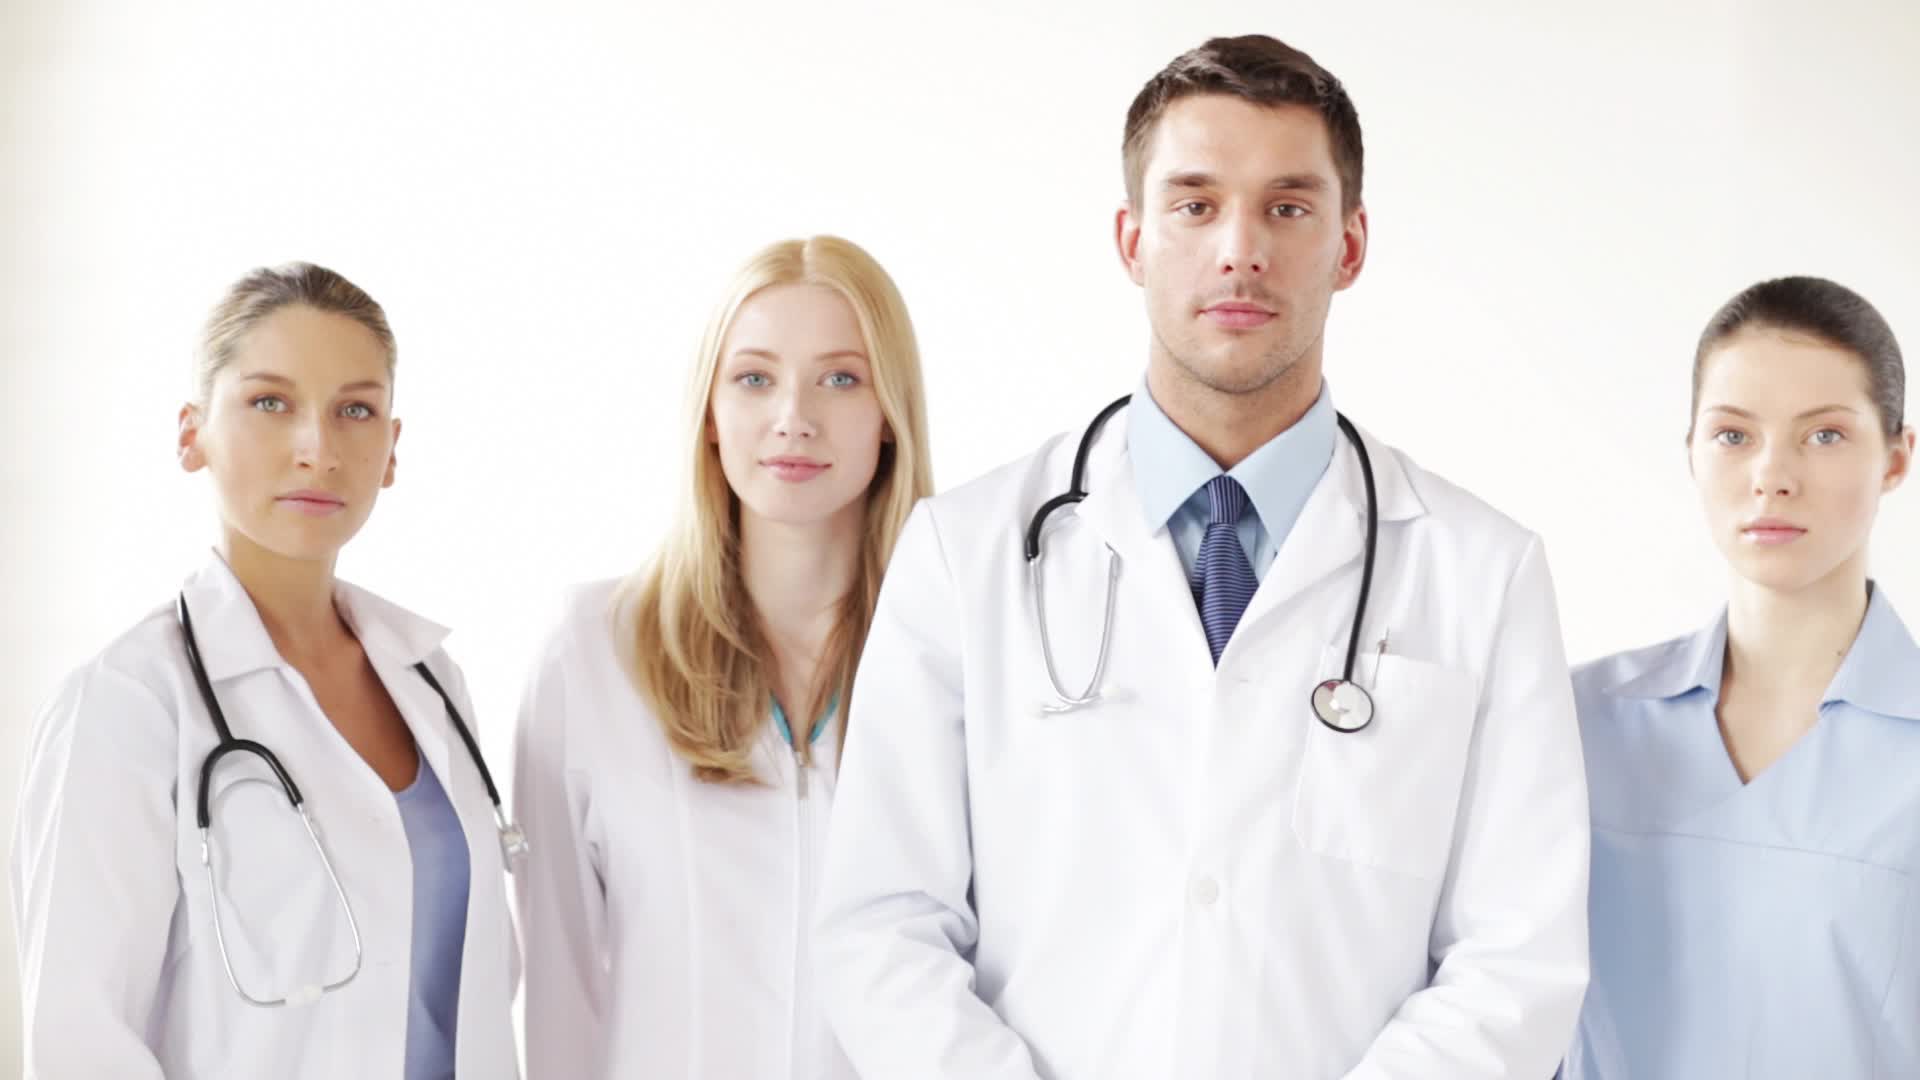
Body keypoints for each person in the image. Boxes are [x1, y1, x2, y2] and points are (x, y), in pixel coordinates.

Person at [813, 34, 1590, 1079]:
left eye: (1288, 207)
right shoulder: (966, 554)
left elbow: (1517, 963)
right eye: (1194, 204)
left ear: (1351, 245)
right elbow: (883, 927)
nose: (1239, 250)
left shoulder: (1483, 576)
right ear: (1132, 239)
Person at [9, 262, 520, 1079]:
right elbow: (81, 1044)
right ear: (192, 434)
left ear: (391, 449)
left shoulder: (431, 680)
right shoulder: (127, 703)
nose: (318, 449)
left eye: (355, 410)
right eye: (270, 403)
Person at [511, 235, 935, 1079]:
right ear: (709, 414)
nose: (794, 417)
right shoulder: (591, 653)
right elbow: (558, 987)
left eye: (840, 379)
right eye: (754, 378)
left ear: (890, 413)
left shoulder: (954, 660)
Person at [1566, 276, 1917, 1078]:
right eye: (1733, 434)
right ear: (1690, 450)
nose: (1772, 475)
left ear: (1896, 457)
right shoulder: (1576, 721)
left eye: (1824, 435)